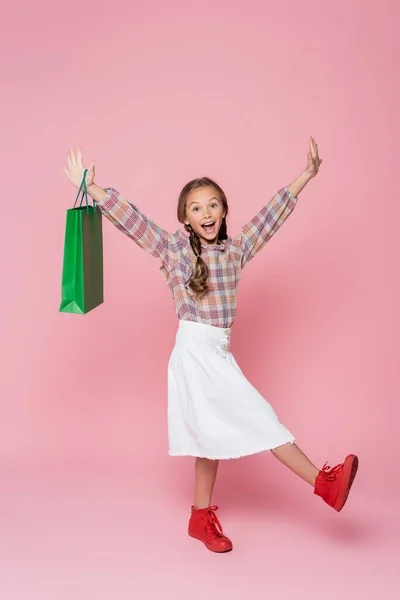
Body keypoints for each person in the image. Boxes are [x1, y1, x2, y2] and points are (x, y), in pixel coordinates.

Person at [63, 138, 358, 553]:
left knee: (210, 438)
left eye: (214, 204)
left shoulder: (236, 251)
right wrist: (92, 189)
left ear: (224, 211)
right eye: (197, 207)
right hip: (194, 352)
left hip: (216, 351)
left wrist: (306, 175)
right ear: (184, 216)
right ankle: (323, 484)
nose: (207, 213)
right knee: (258, 415)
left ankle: (200, 519)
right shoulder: (174, 251)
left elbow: (269, 219)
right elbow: (135, 222)